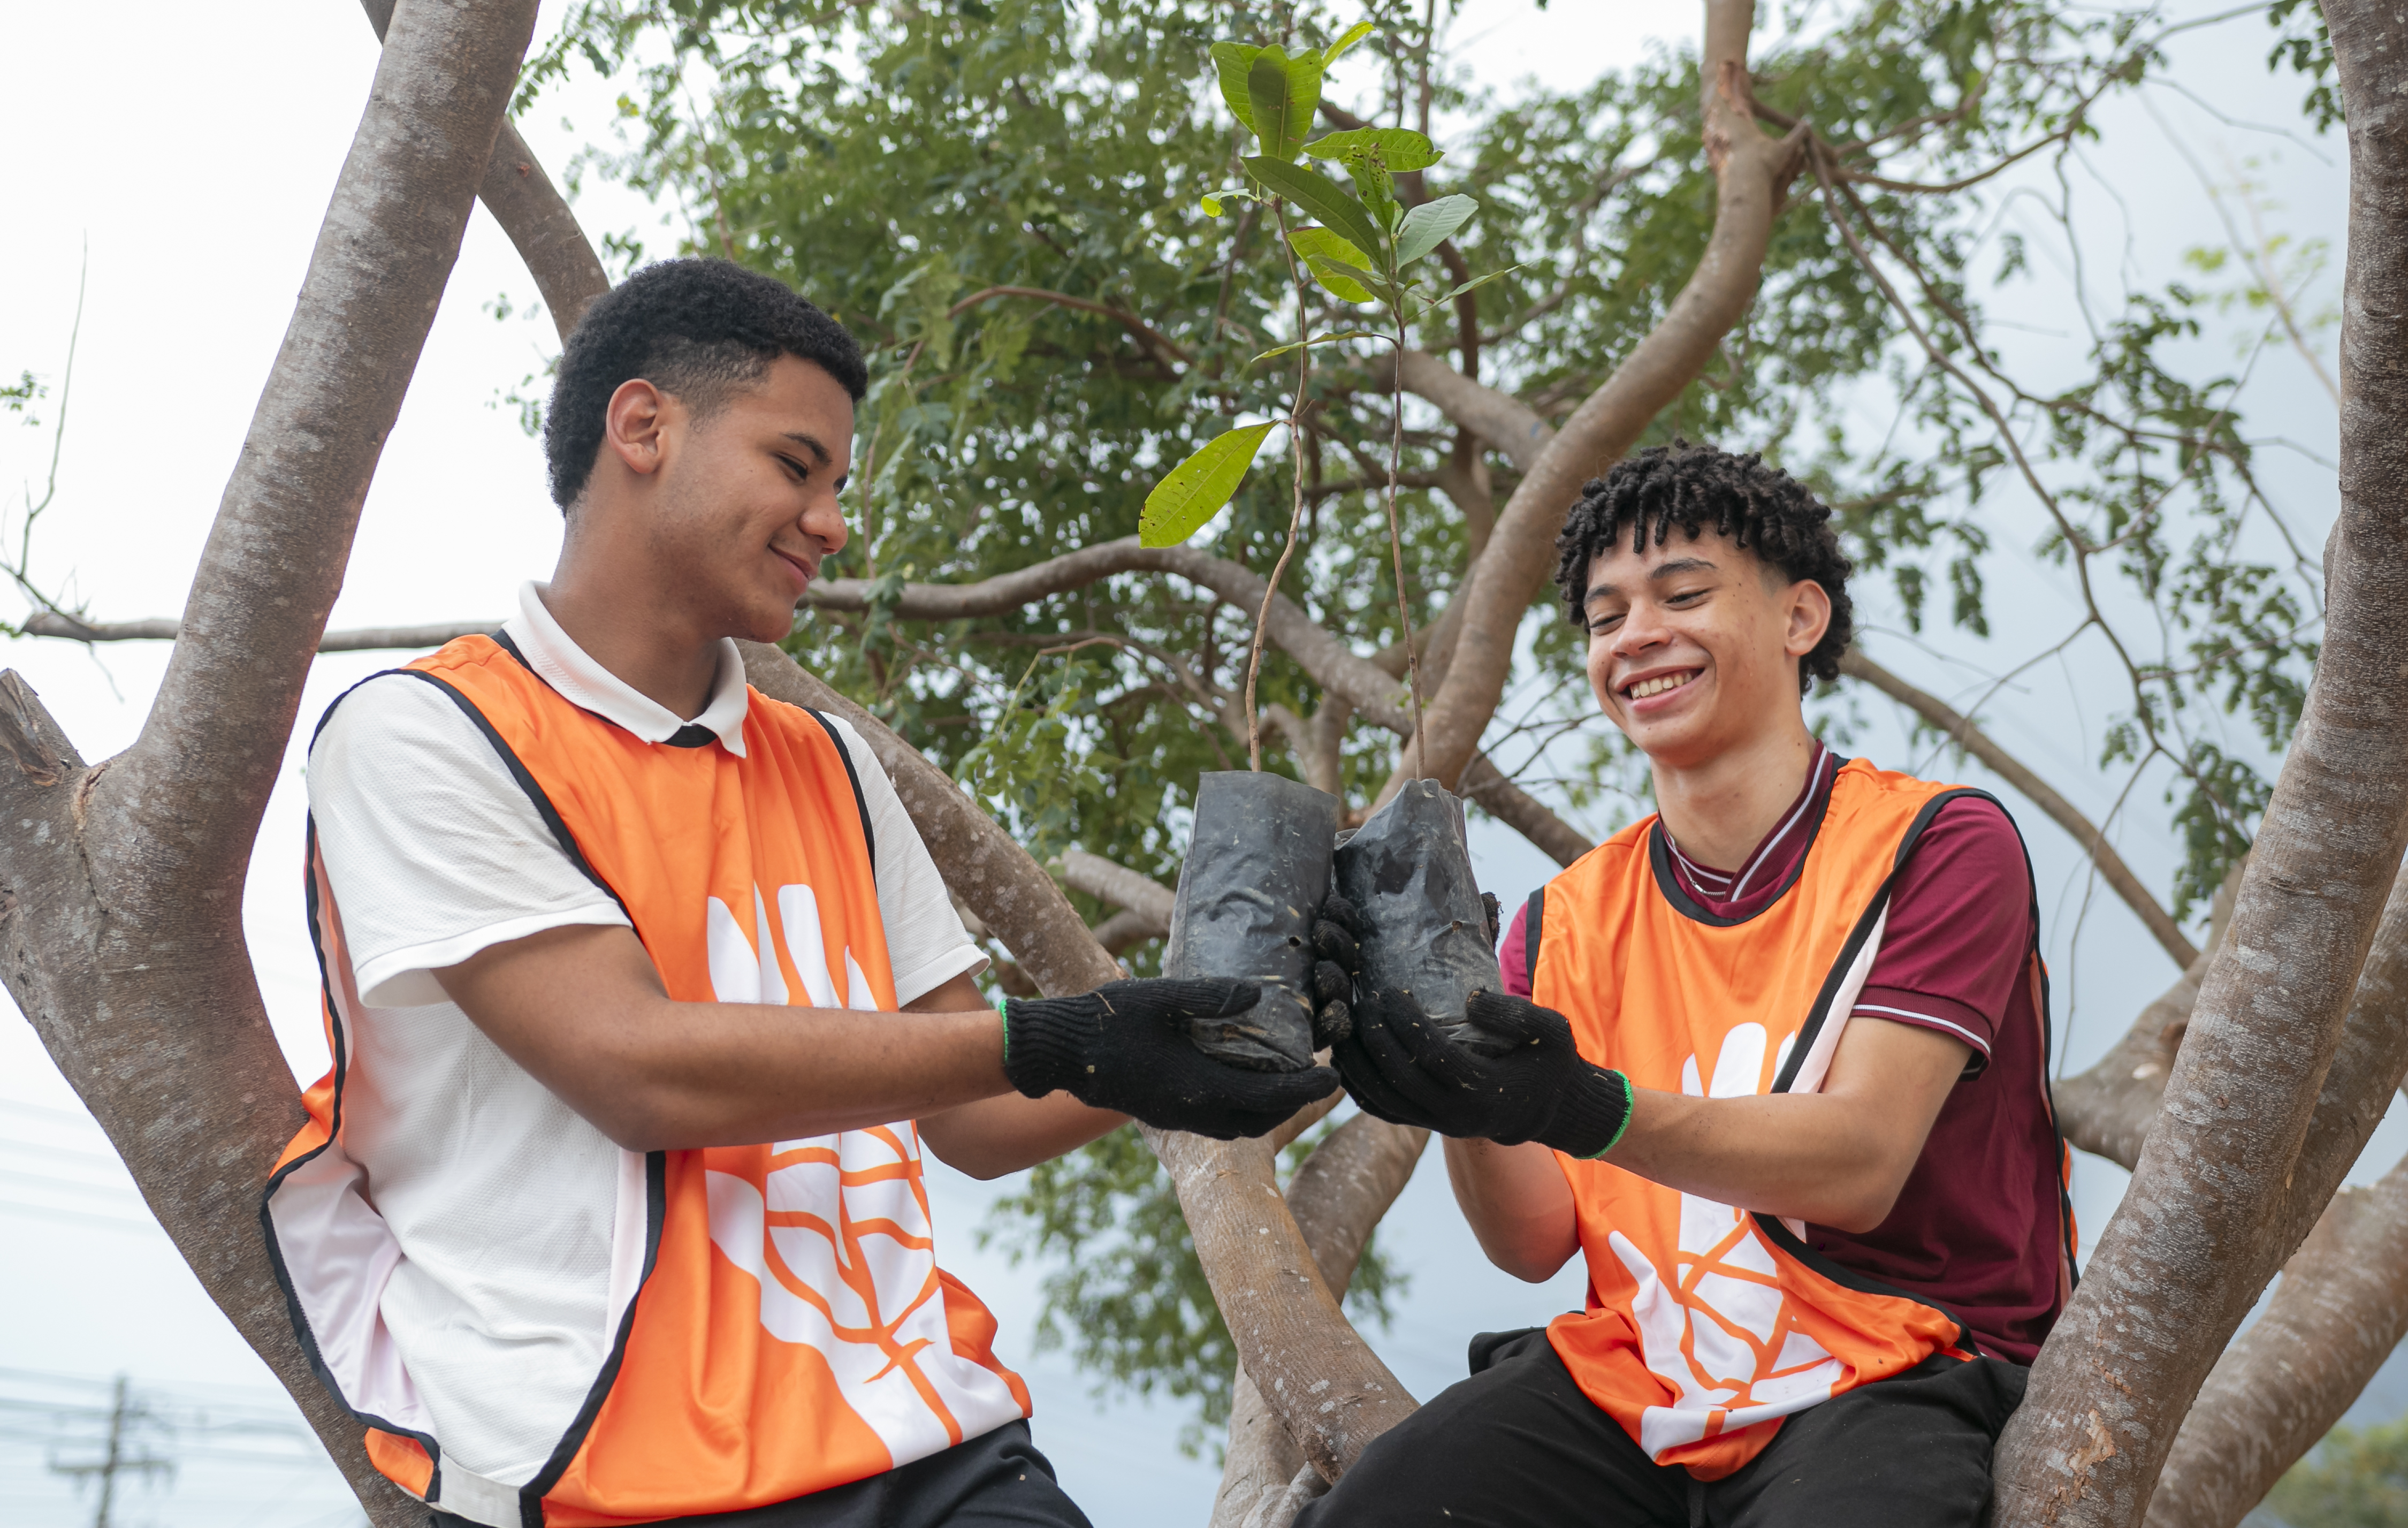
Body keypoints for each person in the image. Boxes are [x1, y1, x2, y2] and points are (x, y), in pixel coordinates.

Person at [262, 257, 1335, 1528]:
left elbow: (971, 1114)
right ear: (644, 427)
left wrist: (1219, 1046)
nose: (831, 525)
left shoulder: (832, 763)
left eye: (838, 488)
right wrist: (1063, 1038)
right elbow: (633, 1072)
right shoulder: (423, 733)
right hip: (605, 1460)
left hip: (921, 1428)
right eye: (796, 466)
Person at [1301, 443, 2074, 1527]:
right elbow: (1533, 1242)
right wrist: (1452, 1093)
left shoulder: (1939, 843)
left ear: (1801, 618)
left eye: (1682, 595)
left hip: (1903, 1367)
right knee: (1376, 1510)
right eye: (1606, 616)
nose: (1636, 637)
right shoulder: (1561, 919)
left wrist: (1584, 1106)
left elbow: (1860, 1163)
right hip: (1642, 1374)